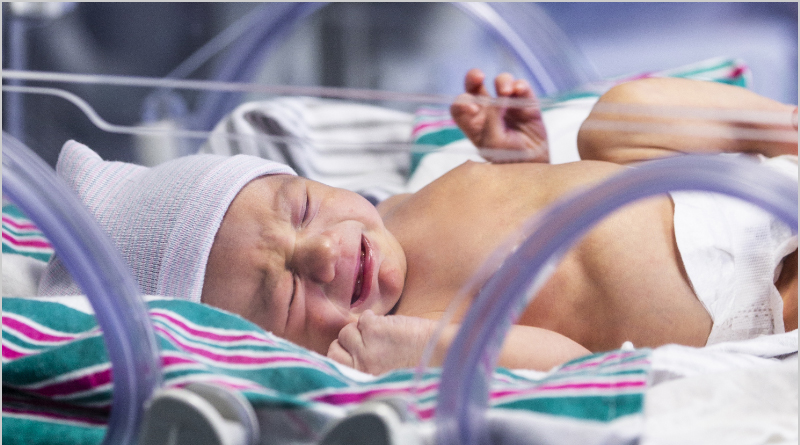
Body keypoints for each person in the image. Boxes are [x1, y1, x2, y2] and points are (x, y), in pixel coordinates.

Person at [39, 71, 798, 375]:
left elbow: (547, 195)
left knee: (618, 115)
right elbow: (567, 363)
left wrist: (521, 158)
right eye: (289, 291)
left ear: (318, 181)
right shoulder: (386, 342)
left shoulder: (416, 192)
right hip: (740, 300)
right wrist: (442, 346)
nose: (328, 253)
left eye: (302, 209)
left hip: (734, 188)